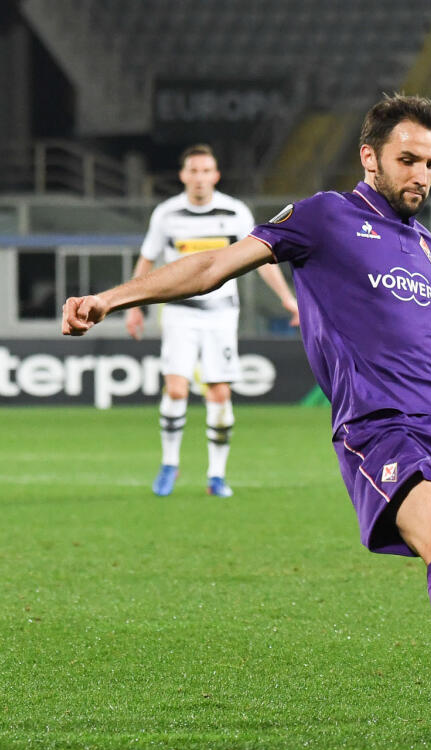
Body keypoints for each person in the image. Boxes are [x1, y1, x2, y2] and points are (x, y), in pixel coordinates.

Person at [64, 94, 431, 738]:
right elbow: (213, 266)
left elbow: (414, 339)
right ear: (369, 157)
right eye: (407, 160)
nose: (421, 175)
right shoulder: (324, 217)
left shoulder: (427, 245)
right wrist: (112, 298)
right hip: (380, 429)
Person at [126, 144, 299, 499]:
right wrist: (133, 304)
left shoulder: (234, 212)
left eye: (207, 171)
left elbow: (263, 257)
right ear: (183, 175)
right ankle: (169, 464)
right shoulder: (167, 214)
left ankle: (216, 475)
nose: (200, 178)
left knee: (219, 392)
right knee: (176, 388)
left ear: (215, 175)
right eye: (194, 171)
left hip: (221, 313)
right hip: (178, 310)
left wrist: (287, 299)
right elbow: (147, 259)